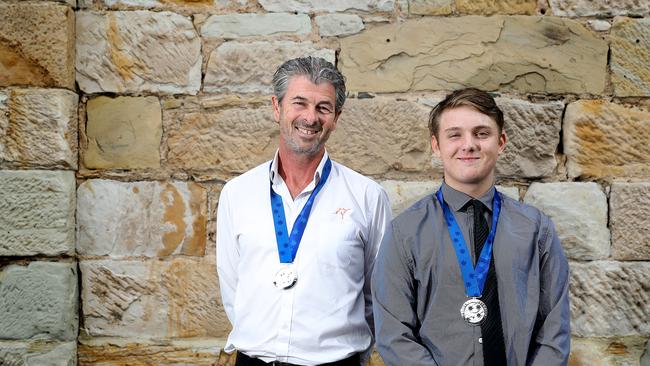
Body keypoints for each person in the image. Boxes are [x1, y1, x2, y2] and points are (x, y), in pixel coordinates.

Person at [372, 88, 570, 365]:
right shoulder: (404, 233)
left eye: (481, 133)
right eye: (455, 135)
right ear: (436, 146)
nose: (468, 145)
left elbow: (554, 332)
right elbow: (394, 335)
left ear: (500, 142)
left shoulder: (537, 230)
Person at [216, 56, 392, 366]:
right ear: (276, 107)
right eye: (299, 103)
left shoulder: (367, 196)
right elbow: (233, 288)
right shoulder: (236, 193)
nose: (310, 118)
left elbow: (376, 295)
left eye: (323, 107)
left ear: (335, 118)